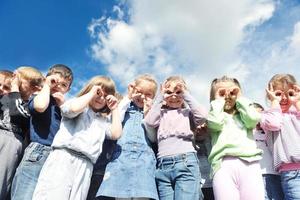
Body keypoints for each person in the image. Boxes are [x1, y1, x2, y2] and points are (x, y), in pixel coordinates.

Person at [32, 75, 122, 200]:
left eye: (105, 96)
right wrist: (91, 93)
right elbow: (73, 109)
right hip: (64, 157)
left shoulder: (103, 120)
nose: (101, 98)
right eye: (99, 93)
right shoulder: (77, 104)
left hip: (86, 164)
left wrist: (115, 109)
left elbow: (116, 134)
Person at [11, 64, 73, 200]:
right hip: (39, 150)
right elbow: (39, 106)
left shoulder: (64, 107)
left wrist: (63, 105)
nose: (58, 86)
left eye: (64, 85)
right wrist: (46, 86)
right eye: (54, 81)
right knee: (24, 194)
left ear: (68, 89)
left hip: (57, 156)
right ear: (46, 79)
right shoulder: (40, 97)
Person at [145, 76, 207, 200]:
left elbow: (203, 116)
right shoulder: (160, 114)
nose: (173, 96)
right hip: (163, 166)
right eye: (169, 92)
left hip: (185, 162)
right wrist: (160, 97)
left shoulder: (188, 113)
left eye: (178, 92)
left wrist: (186, 94)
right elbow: (150, 122)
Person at [98, 74, 159, 200]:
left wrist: (148, 115)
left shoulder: (153, 113)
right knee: (118, 194)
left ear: (154, 97)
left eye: (148, 94)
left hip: (144, 159)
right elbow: (115, 119)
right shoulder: (124, 106)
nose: (142, 97)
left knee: (143, 195)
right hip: (121, 157)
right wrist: (128, 97)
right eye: (139, 92)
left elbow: (153, 138)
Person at [207, 76, 264, 200]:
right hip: (222, 165)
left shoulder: (244, 115)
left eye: (232, 92)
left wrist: (240, 98)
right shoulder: (214, 115)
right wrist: (217, 101)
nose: (227, 96)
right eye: (221, 92)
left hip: (250, 163)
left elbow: (253, 119)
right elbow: (215, 123)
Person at [0, 66, 44, 200]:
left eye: (18, 81)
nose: (15, 82)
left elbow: (18, 114)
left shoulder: (30, 104)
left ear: (34, 89)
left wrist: (14, 89)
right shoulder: (3, 99)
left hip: (11, 143)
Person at [260, 74, 300, 200]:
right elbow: (274, 124)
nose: (283, 98)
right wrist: (274, 102)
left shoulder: (296, 113)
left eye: (288, 93)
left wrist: (297, 101)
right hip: (291, 173)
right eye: (278, 94)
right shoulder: (268, 116)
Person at [253, 103, 284, 200]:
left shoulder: (270, 131)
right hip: (259, 173)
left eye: (261, 114)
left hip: (277, 173)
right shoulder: (248, 133)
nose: (258, 119)